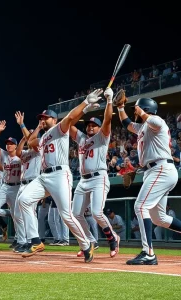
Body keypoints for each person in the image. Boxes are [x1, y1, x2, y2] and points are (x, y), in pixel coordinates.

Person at [116, 96, 181, 265]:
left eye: (136, 109)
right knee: (159, 218)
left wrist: (141, 111)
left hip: (161, 169)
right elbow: (127, 124)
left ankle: (148, 253)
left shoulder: (157, 121)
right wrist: (120, 107)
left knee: (140, 206)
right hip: (154, 170)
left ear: (144, 109)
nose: (135, 112)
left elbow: (154, 121)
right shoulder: (143, 127)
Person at [18, 89, 104, 263]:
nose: (42, 120)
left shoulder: (59, 129)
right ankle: (36, 241)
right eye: (41, 118)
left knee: (66, 215)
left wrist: (85, 104)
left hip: (59, 174)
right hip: (43, 177)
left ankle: (87, 244)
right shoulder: (42, 138)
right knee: (23, 199)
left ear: (54, 119)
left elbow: (71, 117)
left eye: (45, 118)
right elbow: (30, 141)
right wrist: (37, 127)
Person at [70, 87, 120, 258]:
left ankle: (112, 238)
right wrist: (84, 107)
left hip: (99, 177)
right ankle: (90, 241)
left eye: (94, 125)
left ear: (98, 128)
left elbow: (107, 120)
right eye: (89, 125)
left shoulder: (102, 137)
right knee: (75, 214)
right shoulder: (82, 138)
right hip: (83, 180)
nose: (91, 127)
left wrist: (109, 101)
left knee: (96, 213)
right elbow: (68, 124)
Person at [0, 121, 27, 248]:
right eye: (7, 144)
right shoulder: (4, 154)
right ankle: (10, 213)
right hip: (5, 186)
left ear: (16, 146)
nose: (9, 146)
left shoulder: (20, 156)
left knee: (17, 216)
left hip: (17, 186)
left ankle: (20, 240)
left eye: (11, 144)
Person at [14, 111, 42, 253]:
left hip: (33, 182)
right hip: (23, 183)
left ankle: (33, 240)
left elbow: (32, 140)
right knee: (19, 214)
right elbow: (18, 152)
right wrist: (23, 139)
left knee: (30, 212)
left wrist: (23, 125)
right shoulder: (26, 152)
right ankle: (25, 240)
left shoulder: (38, 150)